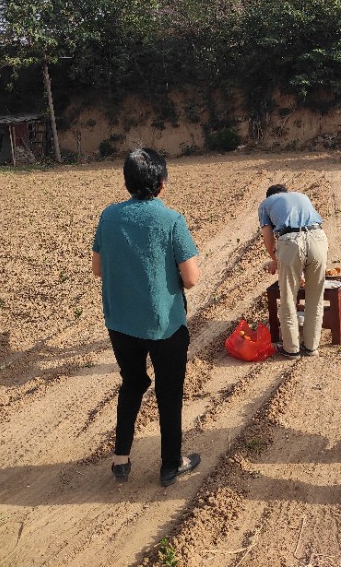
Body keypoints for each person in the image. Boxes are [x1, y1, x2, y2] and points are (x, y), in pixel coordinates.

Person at [92, 148, 201, 487]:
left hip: (120, 323)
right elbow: (191, 278)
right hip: (164, 325)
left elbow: (98, 269)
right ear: (162, 182)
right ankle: (170, 465)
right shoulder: (171, 220)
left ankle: (120, 459)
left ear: (127, 182)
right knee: (169, 392)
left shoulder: (109, 217)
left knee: (133, 383)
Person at [259, 184, 329, 359]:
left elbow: (268, 238)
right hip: (318, 238)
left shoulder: (266, 203)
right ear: (286, 192)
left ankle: (291, 349)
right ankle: (312, 347)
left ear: (270, 196)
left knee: (288, 297)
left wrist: (276, 260)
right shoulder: (301, 196)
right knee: (315, 296)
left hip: (291, 241)